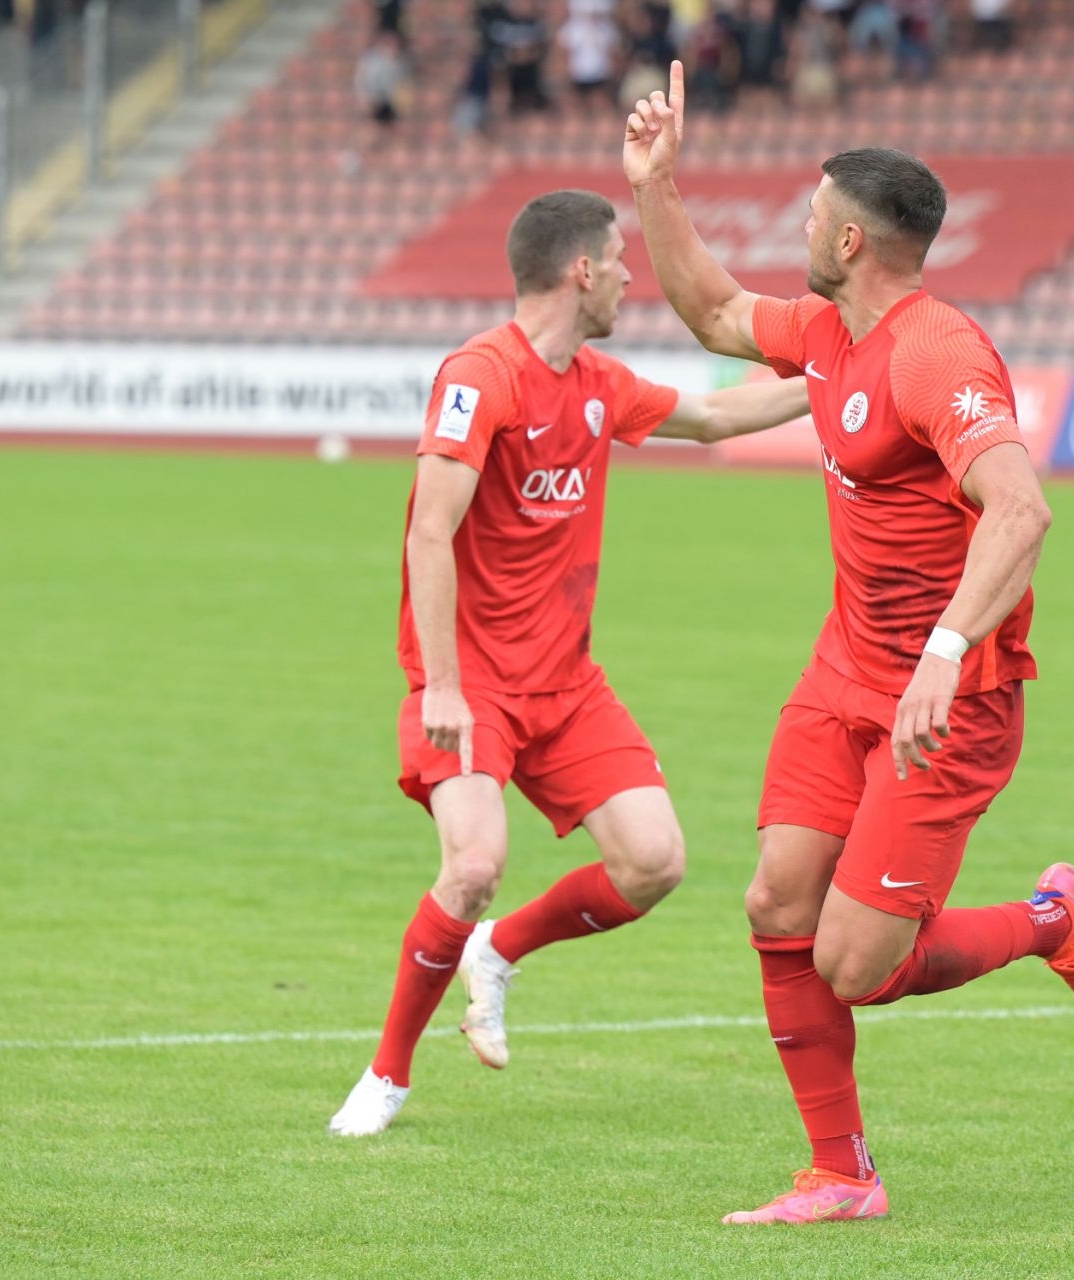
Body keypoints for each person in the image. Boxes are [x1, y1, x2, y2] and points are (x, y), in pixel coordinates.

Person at [624, 64, 1074, 1224]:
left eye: (811, 215)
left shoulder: (935, 352)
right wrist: (656, 185)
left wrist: (945, 650)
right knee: (775, 901)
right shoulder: (826, 330)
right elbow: (714, 311)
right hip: (844, 668)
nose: (800, 229)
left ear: (850, 239)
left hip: (949, 695)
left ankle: (1053, 920)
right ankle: (842, 1173)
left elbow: (1021, 510)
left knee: (855, 963)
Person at [328, 190, 812, 1137]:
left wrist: (835, 381)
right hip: (474, 686)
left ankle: (497, 952)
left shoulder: (598, 382)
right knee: (473, 864)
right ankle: (387, 1076)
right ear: (581, 271)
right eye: (621, 261)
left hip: (567, 685)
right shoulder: (480, 377)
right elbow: (429, 533)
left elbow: (713, 417)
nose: (632, 278)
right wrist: (442, 685)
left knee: (655, 862)